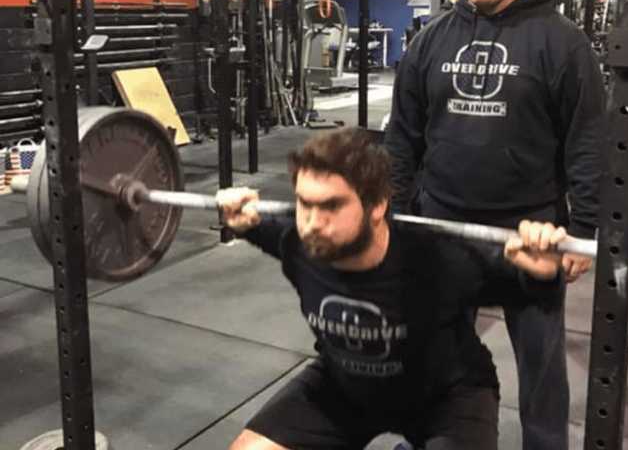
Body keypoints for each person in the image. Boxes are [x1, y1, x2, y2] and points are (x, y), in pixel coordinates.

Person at [385, 0, 606, 450]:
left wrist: (587, 229)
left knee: (541, 369)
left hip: (528, 231)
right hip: (443, 228)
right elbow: (403, 137)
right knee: (438, 355)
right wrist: (399, 212)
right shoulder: (431, 41)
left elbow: (586, 141)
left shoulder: (561, 42)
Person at [218, 128, 568, 450]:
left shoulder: (438, 259)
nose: (312, 222)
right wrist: (242, 220)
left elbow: (526, 289)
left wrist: (542, 271)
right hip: (344, 388)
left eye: (331, 206)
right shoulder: (297, 242)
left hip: (445, 398)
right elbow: (255, 225)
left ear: (377, 206)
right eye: (304, 203)